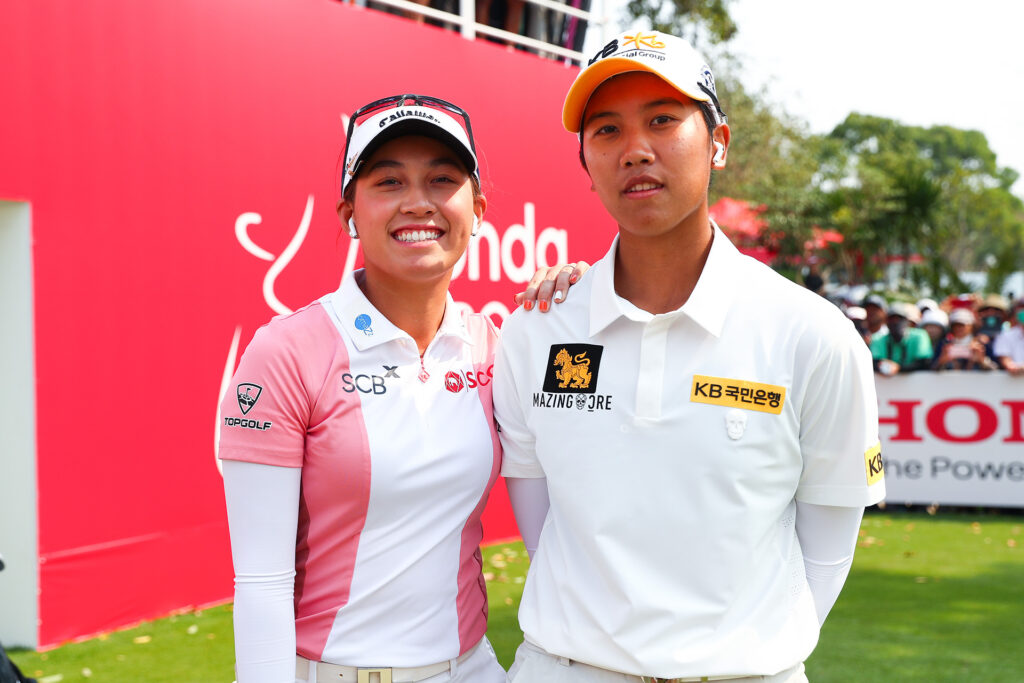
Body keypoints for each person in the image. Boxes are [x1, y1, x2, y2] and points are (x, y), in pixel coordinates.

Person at [492, 30, 885, 683]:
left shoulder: (811, 332)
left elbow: (828, 542)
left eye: (664, 120)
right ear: (584, 164)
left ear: (719, 143)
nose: (635, 150)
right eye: (607, 130)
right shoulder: (538, 329)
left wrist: (733, 656)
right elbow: (542, 525)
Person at [218, 94, 586, 683]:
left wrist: (587, 305)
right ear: (349, 214)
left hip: (475, 669)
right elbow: (261, 582)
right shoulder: (286, 351)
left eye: (442, 179)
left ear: (479, 210)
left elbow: (579, 494)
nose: (418, 202)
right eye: (388, 181)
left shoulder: (498, 346)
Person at [870, 301, 933, 375]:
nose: (895, 322)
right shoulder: (878, 339)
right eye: (892, 319)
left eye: (899, 319)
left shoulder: (920, 336)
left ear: (907, 321)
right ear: (886, 322)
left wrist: (899, 368)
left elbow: (924, 363)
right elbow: (874, 363)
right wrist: (885, 366)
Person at [993, 297, 1024, 375]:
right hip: (1013, 385)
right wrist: (1013, 367)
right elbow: (1006, 361)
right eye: (1021, 307)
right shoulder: (1005, 335)